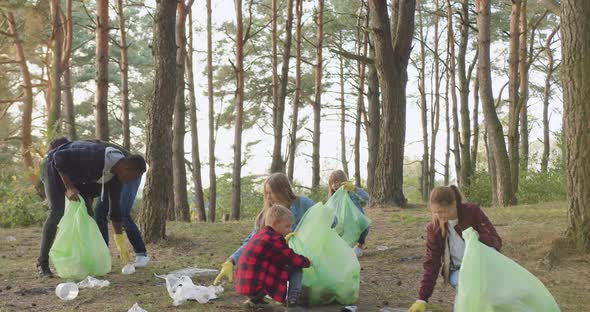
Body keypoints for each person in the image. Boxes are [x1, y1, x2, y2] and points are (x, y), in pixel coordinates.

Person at [37, 139, 146, 277]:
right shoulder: (96, 155)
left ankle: (85, 260)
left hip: (76, 175)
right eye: (133, 177)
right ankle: (42, 263)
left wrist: (120, 242)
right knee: (57, 211)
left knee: (88, 215)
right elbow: (60, 157)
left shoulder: (116, 177)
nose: (131, 181)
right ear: (126, 168)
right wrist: (69, 187)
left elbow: (115, 211)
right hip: (54, 166)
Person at [213, 173, 315, 301]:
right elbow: (251, 242)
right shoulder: (266, 216)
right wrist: (231, 260)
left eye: (271, 192)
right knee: (290, 270)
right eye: (265, 193)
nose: (268, 197)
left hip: (304, 252)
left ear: (282, 190)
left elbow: (329, 219)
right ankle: (286, 299)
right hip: (284, 258)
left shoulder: (303, 204)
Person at [408, 185, 502, 312]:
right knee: (470, 292)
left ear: (454, 204)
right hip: (458, 271)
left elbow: (496, 241)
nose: (440, 216)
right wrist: (422, 298)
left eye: (443, 211)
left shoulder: (472, 212)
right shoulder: (434, 228)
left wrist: (474, 236)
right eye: (436, 212)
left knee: (492, 297)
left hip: (483, 265)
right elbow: (432, 263)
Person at [235, 204, 311, 311]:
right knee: (296, 268)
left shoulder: (261, 235)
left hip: (245, 283)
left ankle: (255, 302)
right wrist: (306, 262)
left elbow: (278, 258)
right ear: (275, 224)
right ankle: (293, 303)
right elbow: (289, 257)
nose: (289, 230)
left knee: (278, 267)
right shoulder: (273, 239)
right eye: (287, 226)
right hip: (256, 283)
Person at [91, 140, 150, 267]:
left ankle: (141, 254)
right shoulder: (78, 153)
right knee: (99, 212)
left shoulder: (88, 150)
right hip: (113, 177)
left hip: (131, 172)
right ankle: (103, 254)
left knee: (122, 212)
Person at [328, 170, 370, 257]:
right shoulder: (334, 199)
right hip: (343, 224)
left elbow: (366, 198)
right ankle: (344, 248)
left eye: (336, 182)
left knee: (365, 226)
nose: (334, 185)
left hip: (356, 221)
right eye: (331, 183)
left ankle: (359, 245)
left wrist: (355, 189)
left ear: (343, 180)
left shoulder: (352, 192)